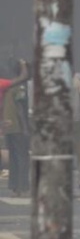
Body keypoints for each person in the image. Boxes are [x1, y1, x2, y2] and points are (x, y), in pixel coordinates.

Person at [2, 59, 31, 196]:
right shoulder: (19, 88)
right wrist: (25, 128)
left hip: (9, 127)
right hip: (18, 126)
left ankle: (14, 186)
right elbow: (20, 108)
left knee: (14, 157)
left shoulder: (6, 87)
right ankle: (22, 187)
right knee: (22, 156)